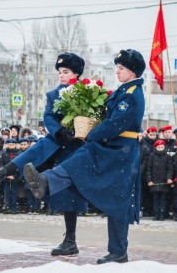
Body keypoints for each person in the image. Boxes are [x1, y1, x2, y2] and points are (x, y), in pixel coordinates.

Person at [20, 49, 146, 264]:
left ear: (132, 71)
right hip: (114, 147)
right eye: (117, 67)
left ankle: (118, 251)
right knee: (82, 162)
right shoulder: (125, 90)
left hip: (119, 149)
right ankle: (46, 181)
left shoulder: (131, 94)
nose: (117, 71)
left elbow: (114, 124)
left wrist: (90, 134)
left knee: (118, 198)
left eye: (121, 68)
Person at [0, 52, 87, 256]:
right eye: (59, 72)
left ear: (77, 73)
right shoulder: (54, 94)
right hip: (58, 140)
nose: (61, 76)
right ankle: (0, 173)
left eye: (65, 72)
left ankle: (70, 240)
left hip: (77, 146)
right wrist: (60, 130)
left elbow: (93, 116)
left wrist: (78, 131)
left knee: (69, 193)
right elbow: (47, 116)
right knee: (36, 148)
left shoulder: (87, 93)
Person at [147, 140, 173, 221]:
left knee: (163, 199)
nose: (160, 148)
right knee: (155, 199)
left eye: (162, 147)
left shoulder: (168, 157)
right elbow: (149, 169)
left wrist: (169, 178)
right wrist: (149, 180)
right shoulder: (152, 156)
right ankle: (156, 214)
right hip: (154, 181)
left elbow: (170, 169)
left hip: (164, 182)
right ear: (156, 148)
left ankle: (162, 214)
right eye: (159, 147)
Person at [2, 138, 21, 214]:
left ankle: (14, 208)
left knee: (14, 193)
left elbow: (19, 166)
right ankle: (8, 208)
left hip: (15, 177)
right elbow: (2, 165)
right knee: (7, 194)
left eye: (13, 145)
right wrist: (5, 175)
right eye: (10, 145)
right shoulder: (4, 154)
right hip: (6, 177)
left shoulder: (18, 154)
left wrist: (15, 176)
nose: (11, 146)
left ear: (15, 145)